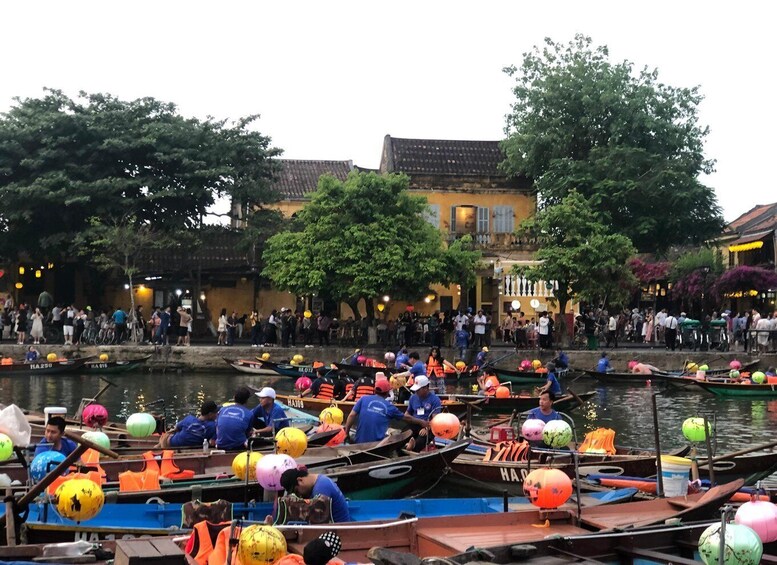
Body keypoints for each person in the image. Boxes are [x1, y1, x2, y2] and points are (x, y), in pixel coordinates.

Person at [343, 379, 430, 443]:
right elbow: (407, 418)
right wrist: (421, 422)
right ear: (387, 393)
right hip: (377, 444)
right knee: (393, 437)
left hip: (359, 441)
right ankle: (407, 447)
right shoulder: (390, 407)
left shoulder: (363, 399)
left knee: (352, 434)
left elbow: (351, 415)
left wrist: (346, 433)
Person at [280, 467, 351, 522]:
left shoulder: (321, 490)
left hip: (340, 531)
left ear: (300, 480)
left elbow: (319, 522)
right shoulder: (320, 479)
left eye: (297, 491)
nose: (299, 496)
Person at [404, 375, 442, 451]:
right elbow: (406, 414)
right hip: (415, 423)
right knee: (403, 435)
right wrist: (417, 421)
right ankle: (406, 445)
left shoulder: (435, 400)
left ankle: (412, 446)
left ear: (425, 388)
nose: (416, 392)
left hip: (429, 426)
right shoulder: (413, 398)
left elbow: (436, 419)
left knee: (422, 438)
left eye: (418, 390)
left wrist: (427, 428)